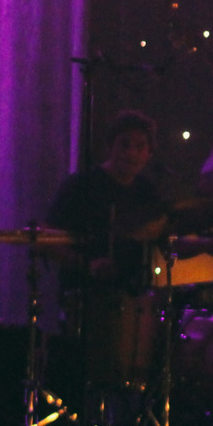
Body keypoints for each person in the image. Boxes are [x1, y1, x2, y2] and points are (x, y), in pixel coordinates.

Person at [46, 109, 172, 407]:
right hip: (86, 294)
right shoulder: (82, 186)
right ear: (110, 146)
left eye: (140, 146)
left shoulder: (147, 192)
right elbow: (47, 241)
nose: (131, 153)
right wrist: (87, 266)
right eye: (124, 144)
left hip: (135, 296)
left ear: (149, 154)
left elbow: (163, 239)